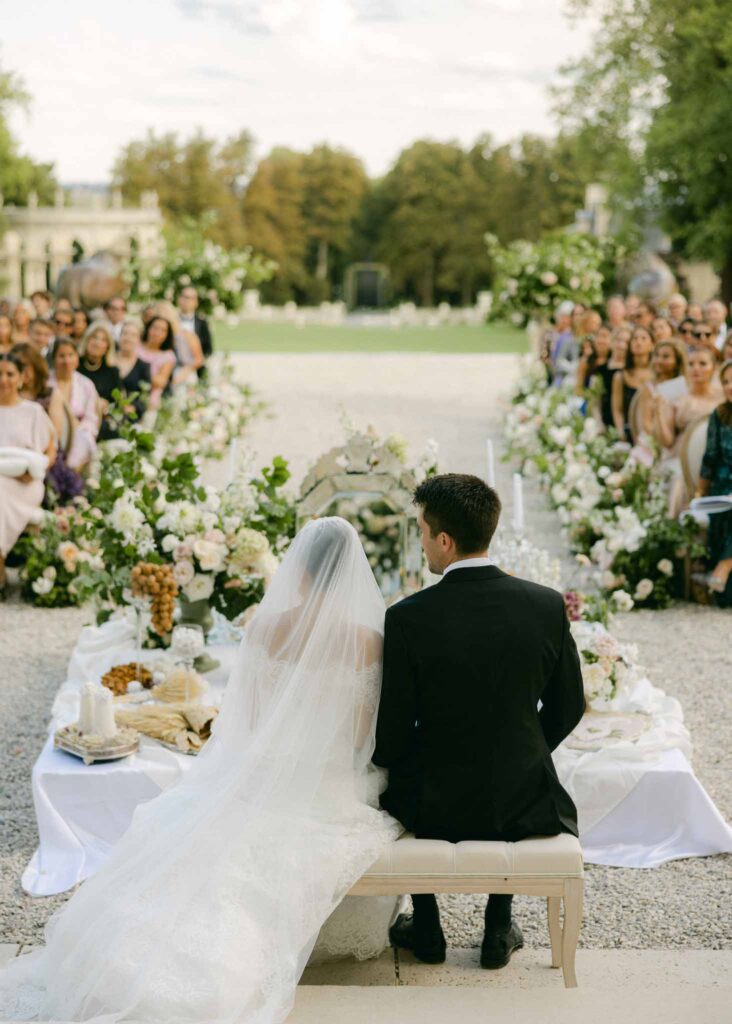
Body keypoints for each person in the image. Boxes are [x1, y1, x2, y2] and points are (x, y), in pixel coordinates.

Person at [0, 517, 402, 1021]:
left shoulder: (266, 627)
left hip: (259, 775)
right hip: (330, 783)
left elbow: (248, 723)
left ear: (298, 571)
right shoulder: (368, 639)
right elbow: (363, 734)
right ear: (349, 571)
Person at [375, 475, 584, 969]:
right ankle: (497, 925)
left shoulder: (407, 618)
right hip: (521, 800)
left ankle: (426, 927)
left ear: (444, 541)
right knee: (507, 775)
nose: (422, 541)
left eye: (422, 531)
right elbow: (569, 706)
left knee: (395, 777)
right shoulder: (545, 605)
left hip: (433, 803)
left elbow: (393, 734)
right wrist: (524, 748)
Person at [0, 352, 56, 596]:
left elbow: (51, 449)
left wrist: (36, 469)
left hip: (26, 483)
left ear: (21, 378)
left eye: (10, 374)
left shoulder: (33, 411)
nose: (4, 379)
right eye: (0, 374)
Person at [694, 361, 732, 602]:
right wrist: (698, 493)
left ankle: (725, 566)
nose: (730, 387)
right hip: (723, 489)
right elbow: (710, 458)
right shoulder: (719, 415)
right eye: (726, 382)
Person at [48, 339, 99, 472]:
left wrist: (78, 430)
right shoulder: (46, 383)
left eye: (71, 355)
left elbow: (92, 418)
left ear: (77, 358)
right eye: (62, 356)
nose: (67, 360)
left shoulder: (86, 384)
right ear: (54, 359)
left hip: (80, 433)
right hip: (50, 433)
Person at [611, 325, 654, 440]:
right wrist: (621, 433)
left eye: (643, 338)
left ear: (652, 345)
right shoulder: (620, 376)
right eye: (635, 339)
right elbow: (617, 409)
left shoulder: (657, 376)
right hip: (629, 433)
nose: (638, 342)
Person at [152, 299, 204, 382]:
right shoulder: (158, 338)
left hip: (184, 376)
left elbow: (199, 359)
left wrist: (185, 371)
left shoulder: (187, 334)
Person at [117, 320, 152, 420]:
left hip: (129, 416)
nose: (128, 338)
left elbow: (144, 397)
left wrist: (133, 408)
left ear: (139, 340)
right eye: (125, 333)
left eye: (133, 335)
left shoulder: (143, 366)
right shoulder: (109, 360)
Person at [139, 315, 177, 406]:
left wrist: (137, 372)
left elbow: (161, 382)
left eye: (163, 330)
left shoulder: (168, 356)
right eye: (155, 328)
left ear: (167, 335)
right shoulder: (136, 346)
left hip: (150, 397)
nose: (157, 333)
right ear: (148, 328)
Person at [178, 284, 214, 366]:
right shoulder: (172, 320)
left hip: (196, 368)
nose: (187, 301)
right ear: (179, 299)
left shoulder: (202, 323)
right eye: (184, 297)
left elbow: (208, 349)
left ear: (196, 302)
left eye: (191, 298)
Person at [575, 324, 611, 395]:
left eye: (604, 336)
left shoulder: (613, 362)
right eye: (598, 336)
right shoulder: (585, 361)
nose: (600, 340)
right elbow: (578, 387)